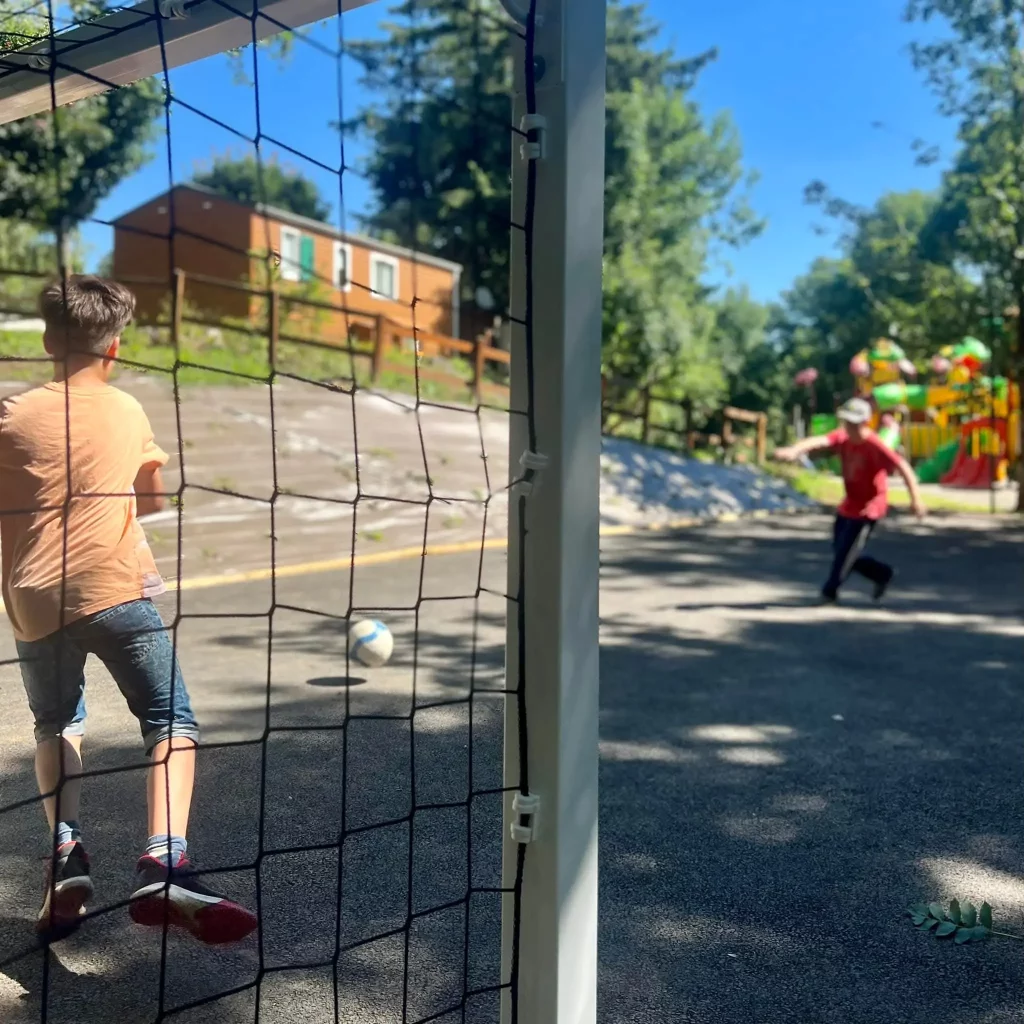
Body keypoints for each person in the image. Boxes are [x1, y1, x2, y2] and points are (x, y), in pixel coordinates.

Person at [0, 275, 257, 944]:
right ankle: (165, 861)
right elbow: (153, 501)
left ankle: (65, 851)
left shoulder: (11, 414)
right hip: (113, 587)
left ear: (47, 340)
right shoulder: (127, 410)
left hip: (33, 598)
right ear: (114, 347)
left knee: (58, 721)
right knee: (170, 719)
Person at [775, 397, 927, 603]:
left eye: (854, 423)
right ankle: (881, 573)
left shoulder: (874, 444)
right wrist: (795, 450)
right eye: (847, 422)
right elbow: (819, 441)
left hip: (870, 507)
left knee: (846, 552)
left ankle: (829, 592)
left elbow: (904, 467)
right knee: (841, 550)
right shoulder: (842, 437)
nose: (850, 427)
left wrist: (915, 499)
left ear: (865, 422)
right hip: (850, 503)